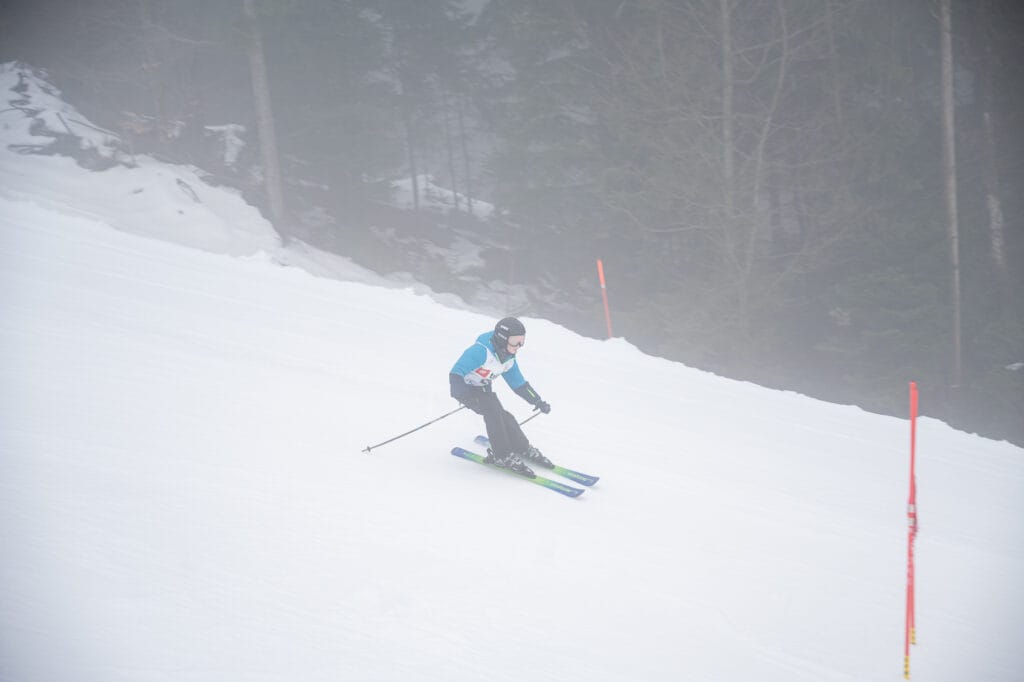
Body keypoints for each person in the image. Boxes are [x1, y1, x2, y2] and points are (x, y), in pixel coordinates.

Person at [449, 317, 552, 477]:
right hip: (466, 389)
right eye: (515, 342)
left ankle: (522, 447)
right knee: (493, 414)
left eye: (521, 341)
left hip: (483, 389)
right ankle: (502, 455)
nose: (518, 346)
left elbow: (518, 383)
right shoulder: (481, 351)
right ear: (503, 338)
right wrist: (463, 395)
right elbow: (455, 374)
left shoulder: (508, 358)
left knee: (505, 416)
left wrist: (537, 400)